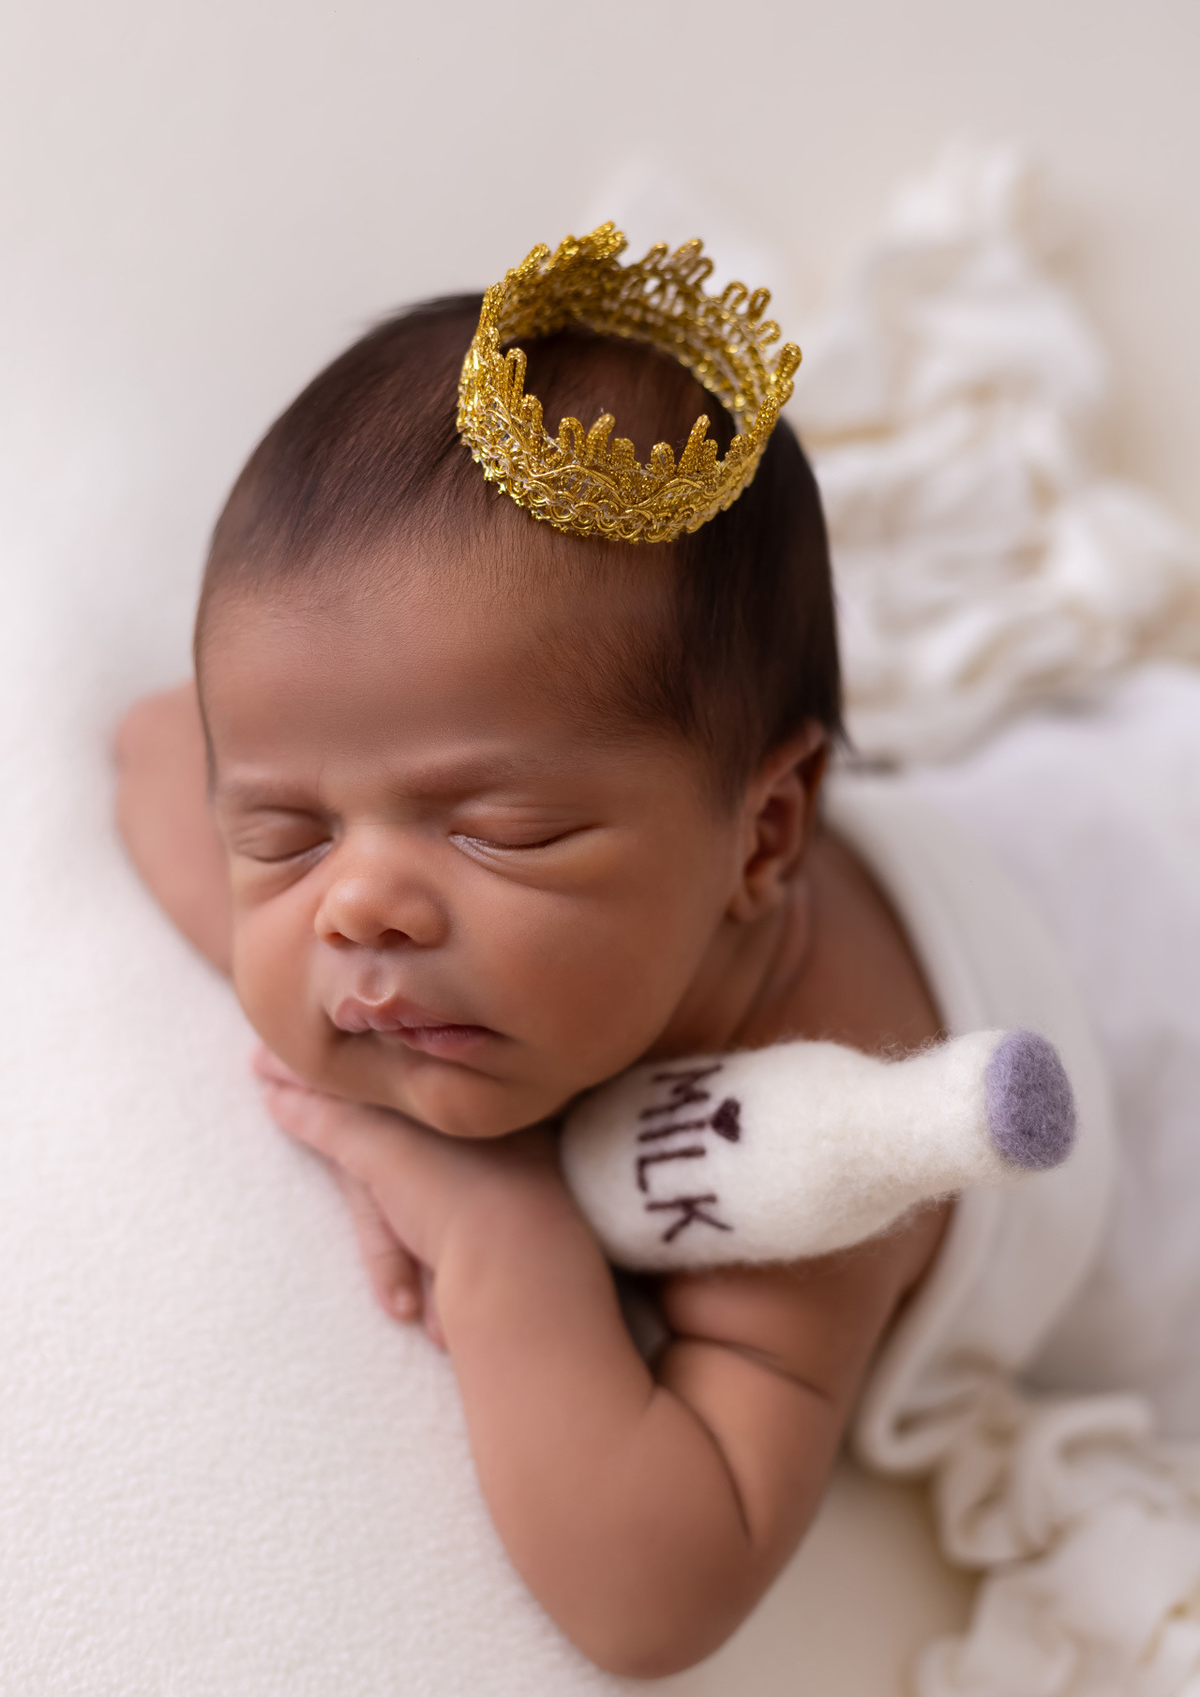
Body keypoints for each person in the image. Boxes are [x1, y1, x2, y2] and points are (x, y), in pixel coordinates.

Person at [114, 231, 952, 1678]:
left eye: (499, 831)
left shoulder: (819, 1132)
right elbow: (146, 750)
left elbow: (659, 1594)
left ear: (763, 837)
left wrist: (499, 1225)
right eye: (287, 832)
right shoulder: (473, 877)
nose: (358, 908)